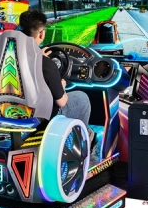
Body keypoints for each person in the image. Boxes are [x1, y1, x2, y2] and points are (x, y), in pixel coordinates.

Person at [18, 9, 95, 146]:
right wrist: (62, 87)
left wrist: (39, 55)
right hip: (43, 119)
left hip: (17, 113)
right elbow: (62, 102)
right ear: (41, 34)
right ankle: (80, 141)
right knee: (83, 98)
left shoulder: (12, 57)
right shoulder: (47, 65)